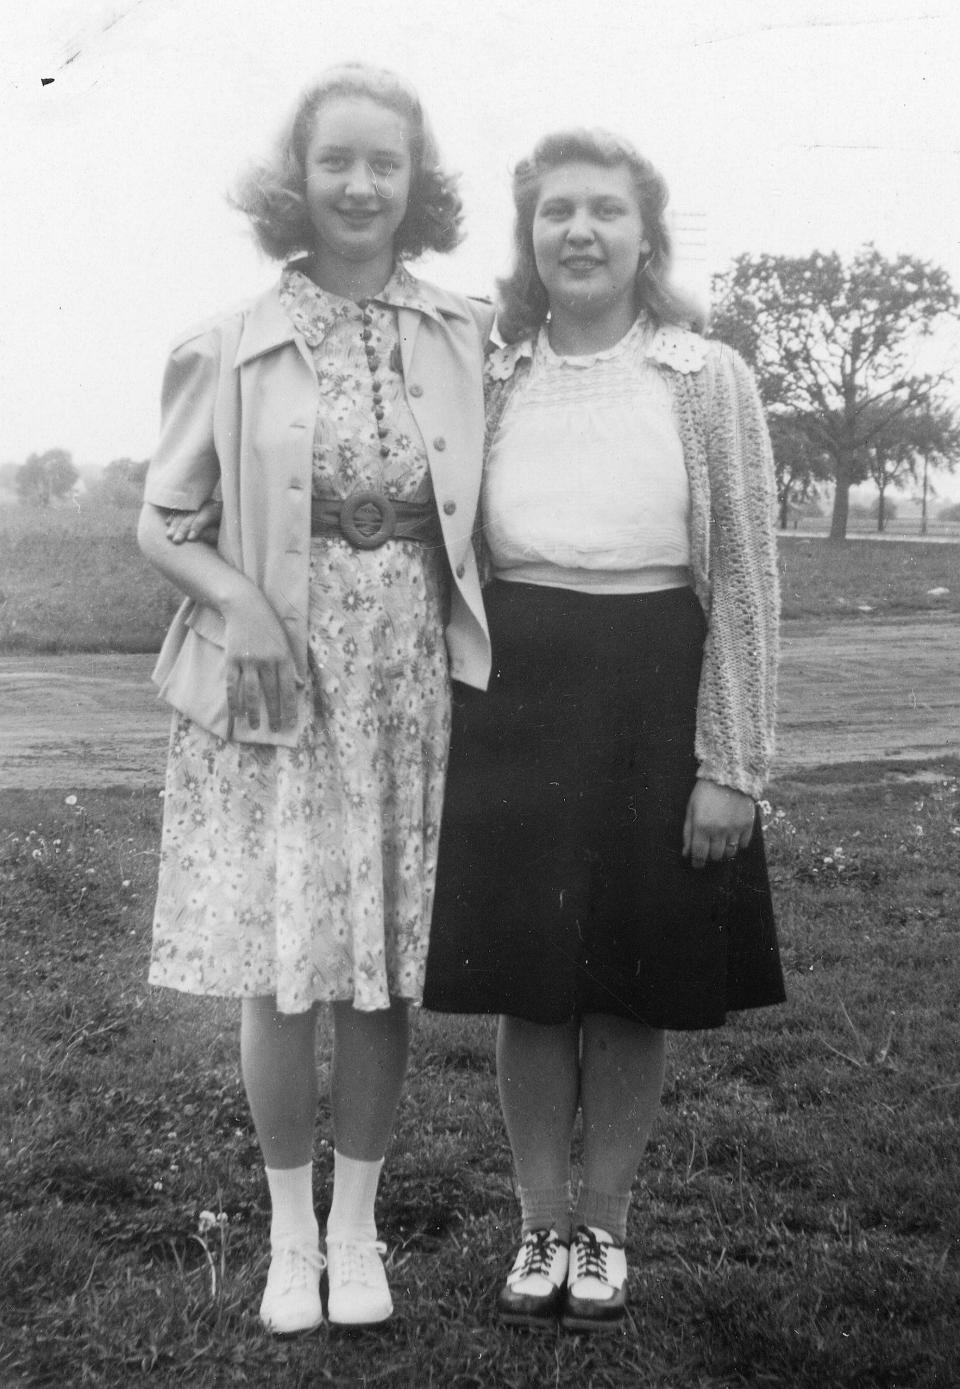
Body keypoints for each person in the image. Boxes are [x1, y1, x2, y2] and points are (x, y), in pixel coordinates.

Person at [137, 63, 491, 1337]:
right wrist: (235, 604)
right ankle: (291, 1239)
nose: (358, 185)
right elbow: (166, 519)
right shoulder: (227, 340)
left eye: (383, 164)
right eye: (335, 161)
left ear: (416, 183)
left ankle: (359, 1224)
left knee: (378, 968)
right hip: (277, 683)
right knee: (283, 967)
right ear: (299, 181)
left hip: (409, 683)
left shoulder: (463, 331)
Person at [422, 129, 785, 1331]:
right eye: (556, 211)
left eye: (606, 212)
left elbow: (743, 574)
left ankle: (607, 1231)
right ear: (529, 237)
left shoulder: (705, 375)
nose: (580, 231)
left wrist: (731, 764)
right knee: (534, 985)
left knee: (631, 985)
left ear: (646, 236)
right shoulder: (490, 368)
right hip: (515, 693)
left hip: (655, 688)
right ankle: (538, 1226)